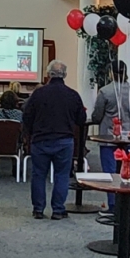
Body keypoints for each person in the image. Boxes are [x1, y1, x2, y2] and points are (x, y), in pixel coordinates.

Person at [22, 60, 85, 220]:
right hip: (64, 140)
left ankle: (38, 209)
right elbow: (81, 119)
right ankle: (58, 209)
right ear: (65, 75)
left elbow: (27, 116)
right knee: (62, 175)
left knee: (38, 175)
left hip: (41, 139)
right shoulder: (73, 94)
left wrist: (29, 135)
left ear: (48, 74)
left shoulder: (38, 94)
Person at [91, 61, 130, 211]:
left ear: (111, 73)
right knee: (125, 171)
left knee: (110, 173)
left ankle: (112, 205)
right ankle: (123, 205)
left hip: (108, 137)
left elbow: (97, 115)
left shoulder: (105, 91)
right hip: (128, 136)